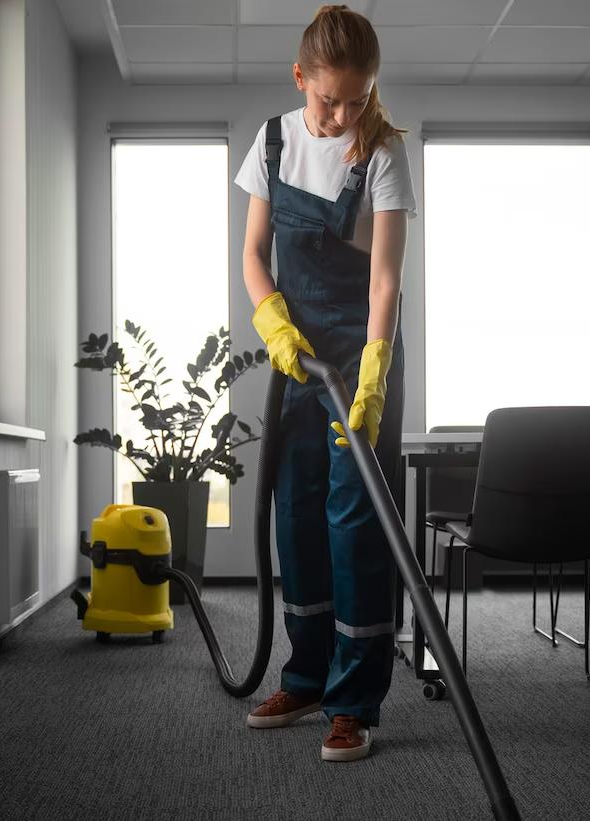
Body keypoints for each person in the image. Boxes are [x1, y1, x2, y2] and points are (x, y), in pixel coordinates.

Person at [232, 5, 417, 762]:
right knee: (296, 514)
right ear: (299, 77)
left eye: (358, 98)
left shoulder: (379, 153)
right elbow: (251, 252)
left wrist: (370, 376)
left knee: (356, 522)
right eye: (328, 99)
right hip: (296, 360)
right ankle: (305, 676)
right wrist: (273, 322)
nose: (343, 114)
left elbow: (384, 281)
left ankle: (353, 701)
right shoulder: (271, 141)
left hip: (360, 355)